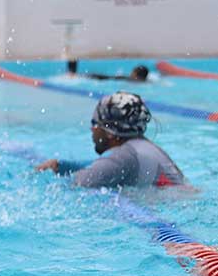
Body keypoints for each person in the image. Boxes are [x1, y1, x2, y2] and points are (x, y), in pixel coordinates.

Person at [34, 91, 186, 188]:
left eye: (95, 123)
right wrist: (62, 166)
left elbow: (77, 185)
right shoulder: (140, 148)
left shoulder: (125, 156)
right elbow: (101, 164)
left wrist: (46, 180)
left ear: (110, 132)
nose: (92, 129)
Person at [84, 65, 149, 82]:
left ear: (135, 74)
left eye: (132, 72)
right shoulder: (147, 81)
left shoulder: (128, 79)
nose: (131, 73)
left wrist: (93, 75)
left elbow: (108, 78)